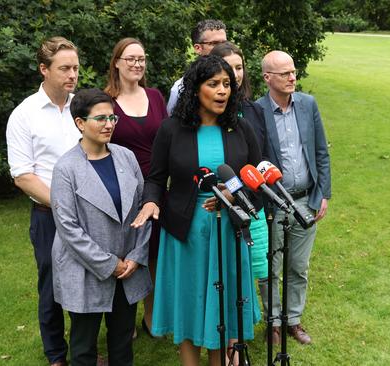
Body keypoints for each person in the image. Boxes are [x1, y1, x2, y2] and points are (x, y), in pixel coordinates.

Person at [132, 55, 261, 366]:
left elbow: (255, 182)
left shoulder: (241, 128)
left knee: (223, 309)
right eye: (213, 84)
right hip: (185, 233)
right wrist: (151, 201)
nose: (222, 91)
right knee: (190, 306)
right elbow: (156, 178)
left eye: (227, 84)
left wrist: (233, 199)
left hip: (228, 232)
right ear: (195, 89)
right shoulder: (172, 129)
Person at [50, 88, 152, 366]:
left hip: (127, 269)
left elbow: (143, 208)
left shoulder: (126, 157)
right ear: (80, 123)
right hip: (86, 270)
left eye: (113, 118)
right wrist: (110, 264)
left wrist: (135, 257)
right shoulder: (65, 168)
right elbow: (68, 228)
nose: (109, 124)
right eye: (101, 118)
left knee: (122, 343)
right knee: (83, 348)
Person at [6, 36, 80, 366]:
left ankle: (83, 350)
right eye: (64, 68)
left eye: (76, 68)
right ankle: (56, 355)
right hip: (49, 215)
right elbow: (23, 175)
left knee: (86, 285)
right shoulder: (25, 115)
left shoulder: (82, 109)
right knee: (52, 286)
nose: (72, 75)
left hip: (88, 213)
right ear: (43, 69)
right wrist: (63, 205)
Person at [256, 50, 332, 346]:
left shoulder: (307, 104)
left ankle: (293, 320)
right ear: (267, 78)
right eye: (284, 73)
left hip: (305, 201)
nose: (292, 77)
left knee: (298, 266)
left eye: (293, 72)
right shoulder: (256, 111)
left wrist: (322, 193)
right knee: (270, 266)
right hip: (273, 204)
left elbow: (321, 152)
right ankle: (273, 322)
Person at [104, 37, 168, 337]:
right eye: (130, 58)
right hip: (123, 187)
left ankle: (151, 315)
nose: (136, 64)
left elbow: (167, 138)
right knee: (127, 250)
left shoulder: (155, 96)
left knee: (154, 252)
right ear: (116, 62)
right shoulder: (106, 102)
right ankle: (123, 319)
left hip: (158, 185)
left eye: (141, 58)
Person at [210, 41, 270, 286]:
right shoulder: (206, 114)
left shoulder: (253, 110)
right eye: (228, 68)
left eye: (239, 67)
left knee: (261, 266)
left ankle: (273, 321)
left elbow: (261, 157)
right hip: (217, 202)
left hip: (252, 199)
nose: (235, 74)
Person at [166, 19, 228, 115]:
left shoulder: (237, 78)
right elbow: (173, 125)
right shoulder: (181, 88)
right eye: (214, 43)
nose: (222, 48)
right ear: (198, 48)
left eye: (224, 43)